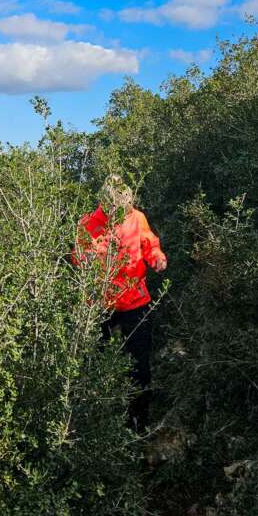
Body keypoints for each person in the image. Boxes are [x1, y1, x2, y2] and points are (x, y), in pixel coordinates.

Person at [76, 175, 167, 432]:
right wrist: (93, 257)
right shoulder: (87, 224)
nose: (121, 212)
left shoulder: (137, 218)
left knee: (139, 366)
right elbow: (78, 258)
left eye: (125, 207)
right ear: (104, 204)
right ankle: (95, 422)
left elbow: (149, 243)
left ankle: (137, 424)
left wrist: (157, 258)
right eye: (116, 208)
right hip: (99, 304)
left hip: (135, 301)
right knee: (91, 363)